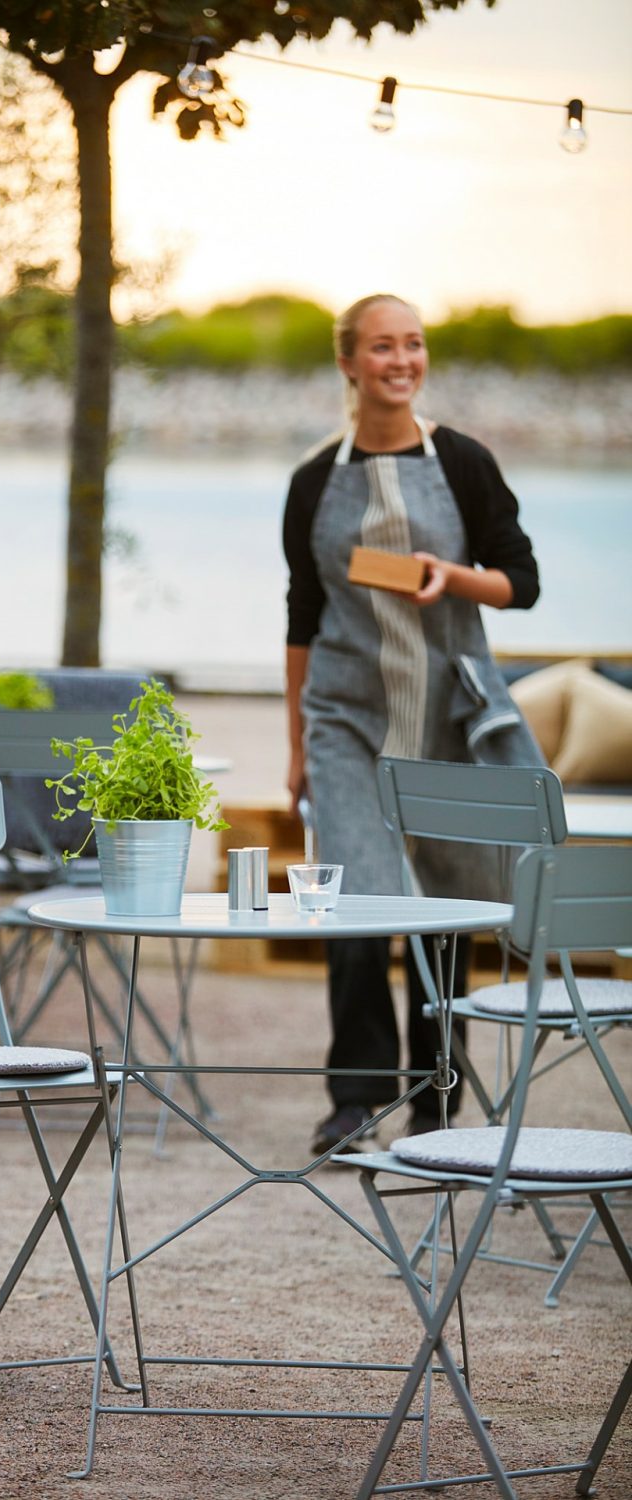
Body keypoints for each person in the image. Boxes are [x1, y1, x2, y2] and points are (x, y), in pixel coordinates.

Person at [282, 293, 543, 1157]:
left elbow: (520, 580)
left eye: (415, 345)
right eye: (383, 347)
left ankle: (437, 1097)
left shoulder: (463, 462)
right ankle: (355, 1099)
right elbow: (302, 616)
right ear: (349, 363)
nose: (402, 360)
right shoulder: (313, 479)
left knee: (446, 905)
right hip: (346, 718)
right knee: (356, 899)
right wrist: (296, 748)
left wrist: (449, 575)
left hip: (447, 716)